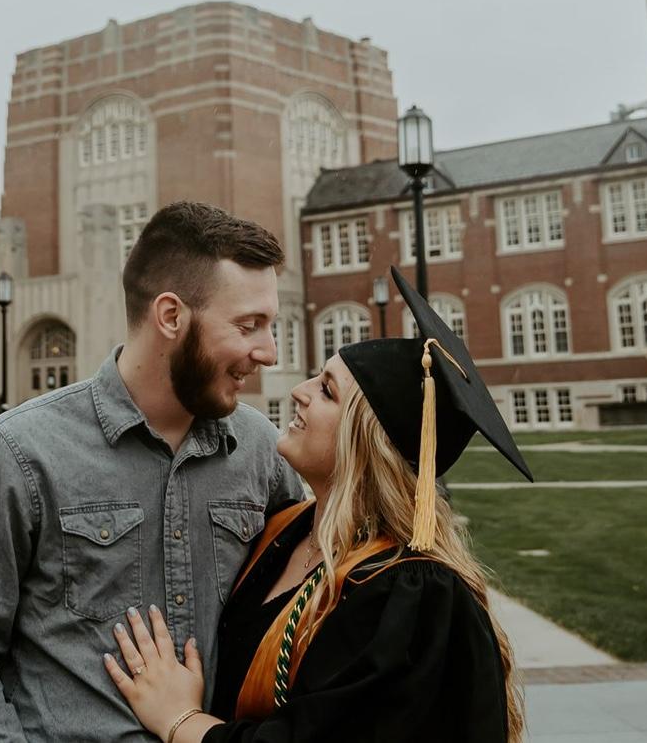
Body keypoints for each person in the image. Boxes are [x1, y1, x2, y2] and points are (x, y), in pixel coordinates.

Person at [0, 201, 305, 742]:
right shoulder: (20, 451)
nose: (268, 352)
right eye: (249, 326)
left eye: (271, 326)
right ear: (170, 316)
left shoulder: (261, 449)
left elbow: (301, 613)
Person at [104, 267, 534, 743]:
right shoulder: (286, 528)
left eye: (326, 389)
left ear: (365, 443)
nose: (299, 391)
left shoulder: (409, 594)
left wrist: (180, 719)